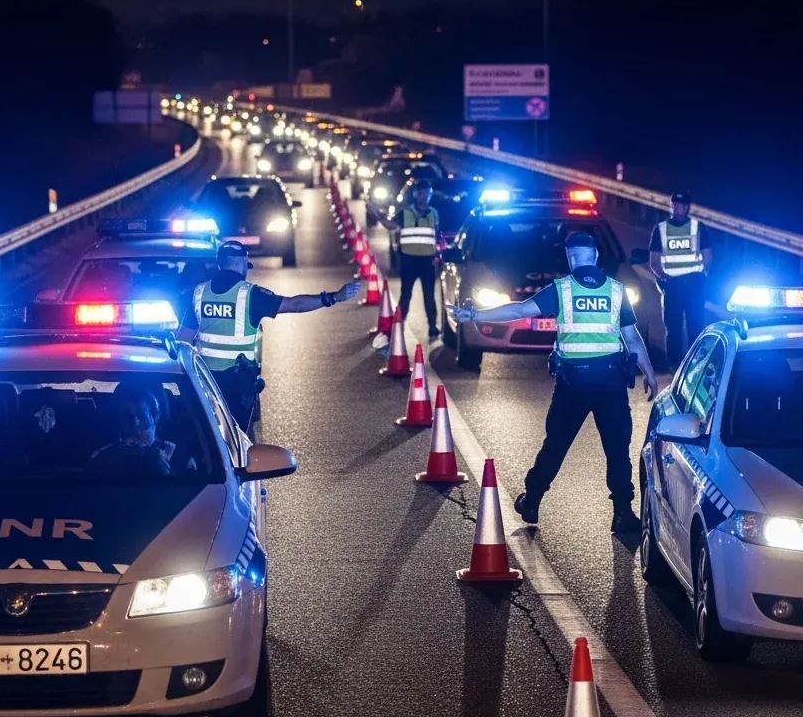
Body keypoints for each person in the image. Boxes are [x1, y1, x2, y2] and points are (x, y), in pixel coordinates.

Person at [448, 231, 658, 534]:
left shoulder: (562, 289)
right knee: (617, 449)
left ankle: (532, 500)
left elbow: (519, 310)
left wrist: (474, 314)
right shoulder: (616, 291)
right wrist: (648, 371)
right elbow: (631, 337)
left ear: (571, 257)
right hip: (610, 383)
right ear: (596, 255)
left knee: (556, 446)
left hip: (572, 385)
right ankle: (623, 513)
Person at [178, 240, 361, 434]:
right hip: (237, 383)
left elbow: (182, 339)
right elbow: (294, 304)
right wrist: (332, 297)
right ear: (241, 262)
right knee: (238, 439)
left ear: (220, 263)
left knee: (209, 435)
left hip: (205, 379)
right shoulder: (249, 294)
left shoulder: (199, 293)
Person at [367, 179, 441, 338]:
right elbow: (391, 225)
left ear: (430, 195)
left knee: (429, 296)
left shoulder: (433, 214)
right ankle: (399, 323)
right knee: (405, 294)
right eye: (421, 193)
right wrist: (378, 216)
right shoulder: (405, 212)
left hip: (427, 262)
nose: (424, 197)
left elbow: (436, 236)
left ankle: (432, 326)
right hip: (409, 261)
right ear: (416, 194)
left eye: (427, 194)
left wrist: (438, 255)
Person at [649, 191, 712, 367]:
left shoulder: (698, 227)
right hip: (673, 285)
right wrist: (663, 278)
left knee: (696, 326)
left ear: (687, 207)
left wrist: (703, 275)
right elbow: (654, 260)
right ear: (672, 205)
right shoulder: (660, 229)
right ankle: (675, 365)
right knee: (673, 328)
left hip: (694, 283)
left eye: (682, 205)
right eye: (675, 204)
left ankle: (696, 363)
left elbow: (707, 256)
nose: (678, 208)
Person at [89, 385, 173, 479]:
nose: (135, 424)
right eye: (128, 418)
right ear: (119, 420)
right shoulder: (103, 455)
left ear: (155, 417)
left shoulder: (173, 453)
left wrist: (161, 465)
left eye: (142, 416)